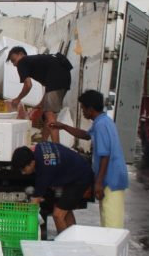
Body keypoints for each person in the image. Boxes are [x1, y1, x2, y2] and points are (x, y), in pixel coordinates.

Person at [50, 90, 129, 228]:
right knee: (107, 218)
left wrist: (98, 182)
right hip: (112, 177)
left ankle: (112, 242)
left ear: (90, 109)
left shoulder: (101, 125)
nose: (82, 112)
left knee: (112, 223)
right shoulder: (103, 121)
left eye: (83, 109)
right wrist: (63, 126)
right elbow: (86, 135)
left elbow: (105, 155)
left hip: (112, 179)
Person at [11, 142, 94, 234]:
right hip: (75, 171)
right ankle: (73, 238)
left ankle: (63, 242)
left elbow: (34, 203)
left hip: (80, 178)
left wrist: (25, 227)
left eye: (23, 169)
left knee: (58, 215)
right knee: (65, 210)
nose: (22, 173)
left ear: (32, 163)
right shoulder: (38, 148)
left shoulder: (44, 169)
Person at [7, 46, 72, 143]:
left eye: (14, 60)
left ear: (21, 54)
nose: (14, 64)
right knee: (48, 115)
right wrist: (41, 103)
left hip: (56, 79)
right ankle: (43, 142)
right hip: (65, 78)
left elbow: (28, 85)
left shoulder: (22, 62)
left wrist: (18, 99)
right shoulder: (37, 62)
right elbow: (49, 88)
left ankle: (57, 147)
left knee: (50, 115)